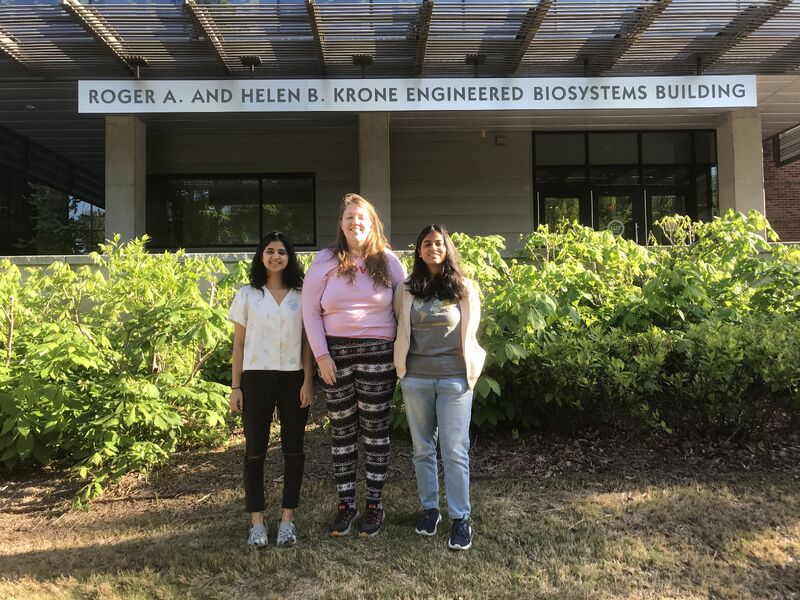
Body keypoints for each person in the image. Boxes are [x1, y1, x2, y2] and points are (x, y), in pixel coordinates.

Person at [302, 193, 406, 537]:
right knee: (343, 432)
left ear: (372, 223)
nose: (354, 222)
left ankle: (375, 505)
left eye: (361, 217)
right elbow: (310, 312)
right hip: (335, 356)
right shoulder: (325, 260)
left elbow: (403, 310)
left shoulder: (389, 262)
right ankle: (346, 505)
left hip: (378, 353)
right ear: (341, 224)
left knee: (375, 432)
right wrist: (321, 356)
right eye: (349, 217)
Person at [393, 224, 486, 551]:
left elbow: (471, 333)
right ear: (419, 250)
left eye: (438, 243)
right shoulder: (406, 290)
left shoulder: (464, 288)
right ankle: (430, 510)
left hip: (455, 379)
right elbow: (400, 327)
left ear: (447, 248)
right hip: (416, 378)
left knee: (455, 450)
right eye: (426, 244)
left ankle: (461, 518)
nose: (433, 248)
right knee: (422, 449)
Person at [228, 231, 314, 548]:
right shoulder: (247, 295)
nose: (275, 256)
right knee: (255, 452)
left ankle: (287, 521)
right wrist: (235, 386)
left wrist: (308, 380)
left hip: (293, 378)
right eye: (269, 251)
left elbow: (308, 342)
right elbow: (238, 345)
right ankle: (257, 524)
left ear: (289, 257)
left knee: (294, 450)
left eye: (281, 251)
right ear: (261, 256)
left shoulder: (302, 295)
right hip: (255, 379)